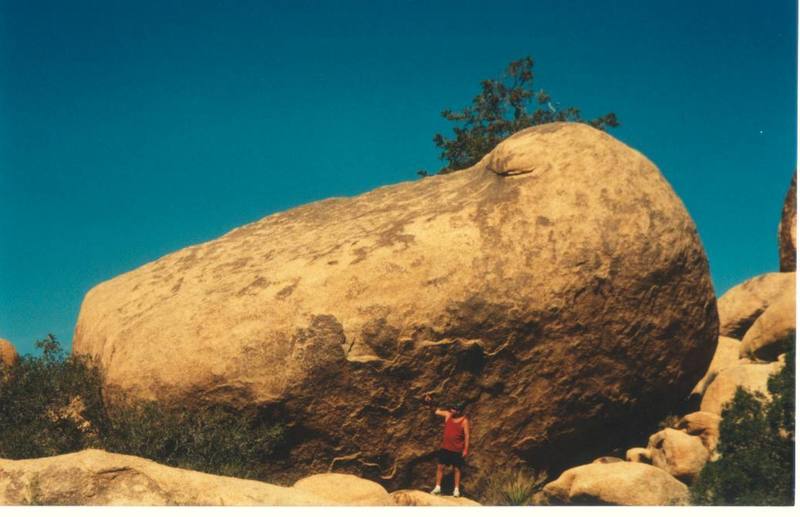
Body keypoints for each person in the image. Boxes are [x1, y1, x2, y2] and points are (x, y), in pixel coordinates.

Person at [427, 398, 470, 497]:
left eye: (454, 409)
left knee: (457, 469)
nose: (452, 410)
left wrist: (465, 449)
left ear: (459, 410)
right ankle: (437, 487)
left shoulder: (464, 421)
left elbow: (467, 436)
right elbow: (436, 411)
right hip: (446, 448)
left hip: (457, 449)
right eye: (452, 408)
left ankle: (456, 490)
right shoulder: (448, 415)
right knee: (440, 467)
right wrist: (430, 402)